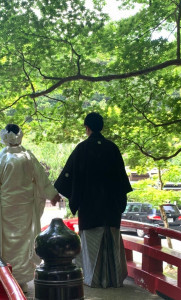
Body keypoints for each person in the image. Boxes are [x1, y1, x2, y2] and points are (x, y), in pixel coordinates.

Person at [54, 112, 132, 288]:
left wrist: (69, 195)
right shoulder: (112, 148)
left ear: (87, 128)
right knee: (111, 243)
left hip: (90, 208)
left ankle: (94, 280)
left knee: (91, 246)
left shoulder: (82, 149)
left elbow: (67, 177)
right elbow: (122, 180)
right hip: (111, 208)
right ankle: (113, 280)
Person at [0, 124, 61, 293]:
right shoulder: (28, 156)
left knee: (6, 242)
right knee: (26, 241)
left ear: (4, 136)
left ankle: (7, 277)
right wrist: (52, 195)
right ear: (20, 136)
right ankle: (22, 280)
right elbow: (41, 178)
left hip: (7, 208)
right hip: (26, 207)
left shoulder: (1, 158)